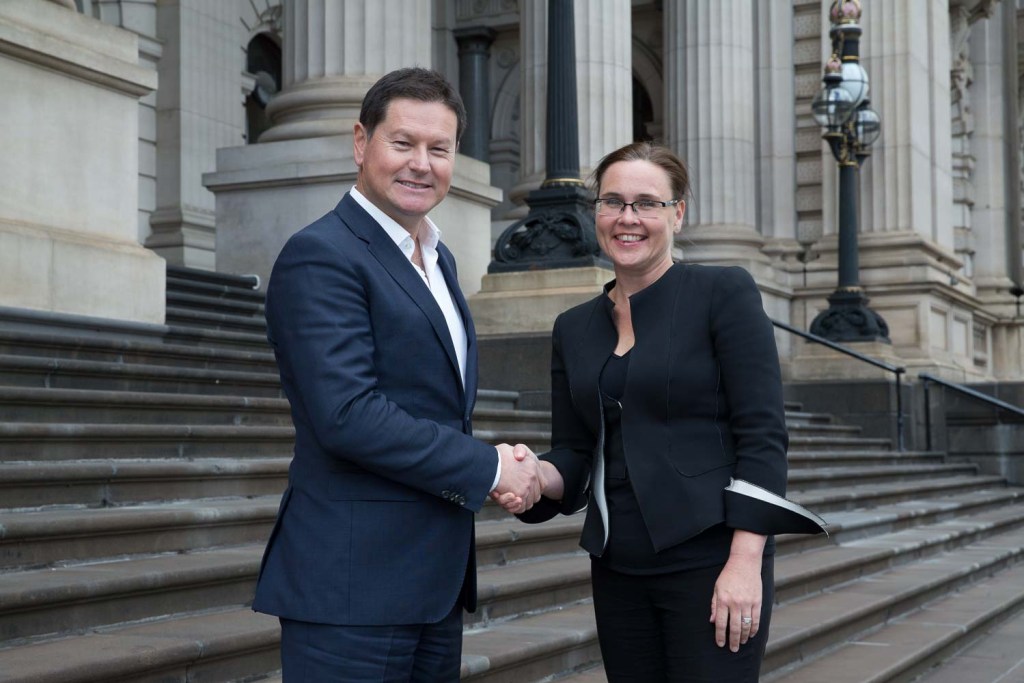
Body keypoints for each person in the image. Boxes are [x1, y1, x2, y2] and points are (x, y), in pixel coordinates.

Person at [252, 67, 544, 682]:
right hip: (351, 589)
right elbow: (348, 415)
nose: (421, 164)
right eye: (403, 143)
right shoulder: (321, 254)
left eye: (439, 149)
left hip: (432, 583)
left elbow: (434, 405)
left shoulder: (439, 259)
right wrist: (490, 468)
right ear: (361, 142)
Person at [500, 142, 825, 682]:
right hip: (617, 565)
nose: (628, 218)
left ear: (677, 213)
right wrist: (535, 476)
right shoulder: (573, 327)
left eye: (647, 203)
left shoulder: (722, 293)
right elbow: (577, 452)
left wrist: (745, 563)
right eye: (613, 202)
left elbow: (762, 436)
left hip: (711, 558)